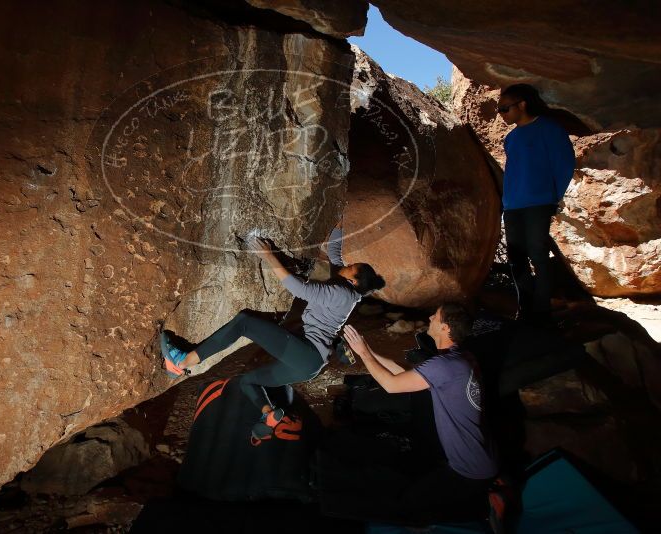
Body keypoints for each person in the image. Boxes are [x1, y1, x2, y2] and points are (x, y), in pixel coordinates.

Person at [161, 233, 385, 445]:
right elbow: (335, 254)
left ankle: (182, 361)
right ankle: (268, 415)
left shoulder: (340, 292)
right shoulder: (352, 292)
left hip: (306, 354)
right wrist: (339, 218)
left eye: (350, 267)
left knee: (245, 322)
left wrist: (269, 256)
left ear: (354, 281)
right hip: (309, 368)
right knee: (249, 381)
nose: (344, 266)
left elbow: (299, 288)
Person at [317, 303, 497, 524]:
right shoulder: (458, 358)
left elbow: (392, 385)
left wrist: (363, 353)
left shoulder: (445, 365)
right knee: (413, 484)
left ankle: (485, 508)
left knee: (408, 505)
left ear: (446, 328)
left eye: (436, 316)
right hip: (477, 460)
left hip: (469, 470)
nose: (430, 317)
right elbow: (401, 373)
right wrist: (366, 350)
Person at [497, 84, 576, 324]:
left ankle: (542, 312)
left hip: (538, 203)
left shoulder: (549, 129)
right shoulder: (510, 139)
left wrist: (553, 197)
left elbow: (564, 165)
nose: (501, 114)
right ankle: (526, 308)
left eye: (505, 108)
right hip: (512, 207)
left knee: (538, 255)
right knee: (516, 258)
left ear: (522, 104)